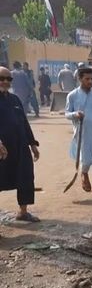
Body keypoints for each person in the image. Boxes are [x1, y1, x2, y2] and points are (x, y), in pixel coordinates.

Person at [0, 66, 41, 223]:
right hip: (2, 150)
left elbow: (24, 123)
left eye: (8, 79)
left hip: (20, 147)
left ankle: (23, 212)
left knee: (25, 177)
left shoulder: (15, 99)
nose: (5, 82)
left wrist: (32, 144)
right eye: (1, 78)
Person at [65, 67, 92, 196]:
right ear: (80, 79)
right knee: (86, 159)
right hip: (84, 133)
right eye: (87, 79)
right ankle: (84, 174)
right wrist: (75, 114)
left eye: (91, 79)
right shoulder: (72, 95)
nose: (90, 81)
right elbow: (67, 114)